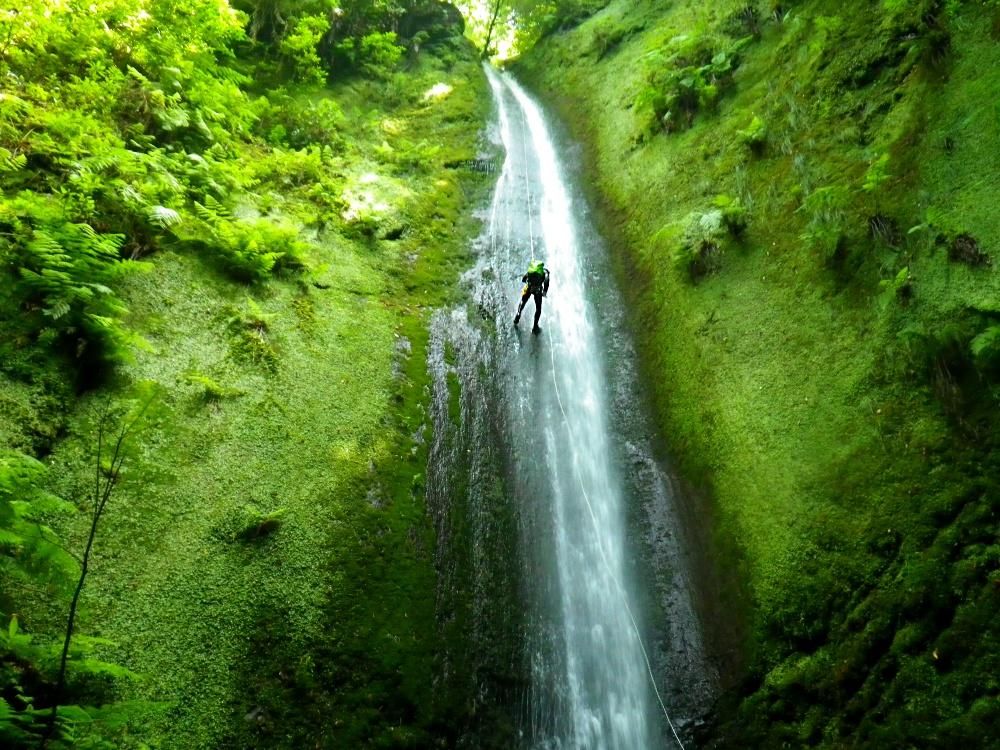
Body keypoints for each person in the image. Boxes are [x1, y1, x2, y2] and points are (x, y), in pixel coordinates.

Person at [513, 259, 550, 333]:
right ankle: (535, 327)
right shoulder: (545, 273)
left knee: (523, 301)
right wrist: (545, 292)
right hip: (537, 290)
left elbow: (524, 279)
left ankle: (518, 314)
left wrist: (528, 282)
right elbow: (546, 281)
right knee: (538, 308)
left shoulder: (532, 271)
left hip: (529, 287)